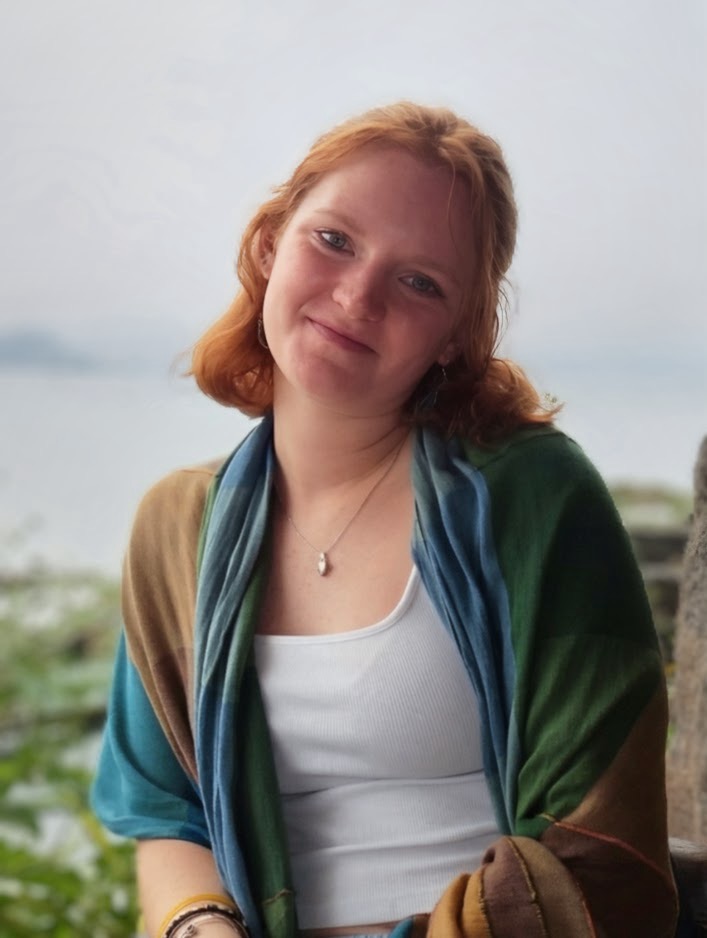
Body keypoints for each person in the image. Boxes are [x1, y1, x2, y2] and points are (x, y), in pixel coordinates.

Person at [91, 101, 678, 938]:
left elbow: (599, 847)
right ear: (270, 242)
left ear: (453, 335)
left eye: (419, 281)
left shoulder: (532, 498)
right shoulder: (174, 530)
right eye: (332, 240)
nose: (355, 294)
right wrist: (200, 928)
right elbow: (163, 814)